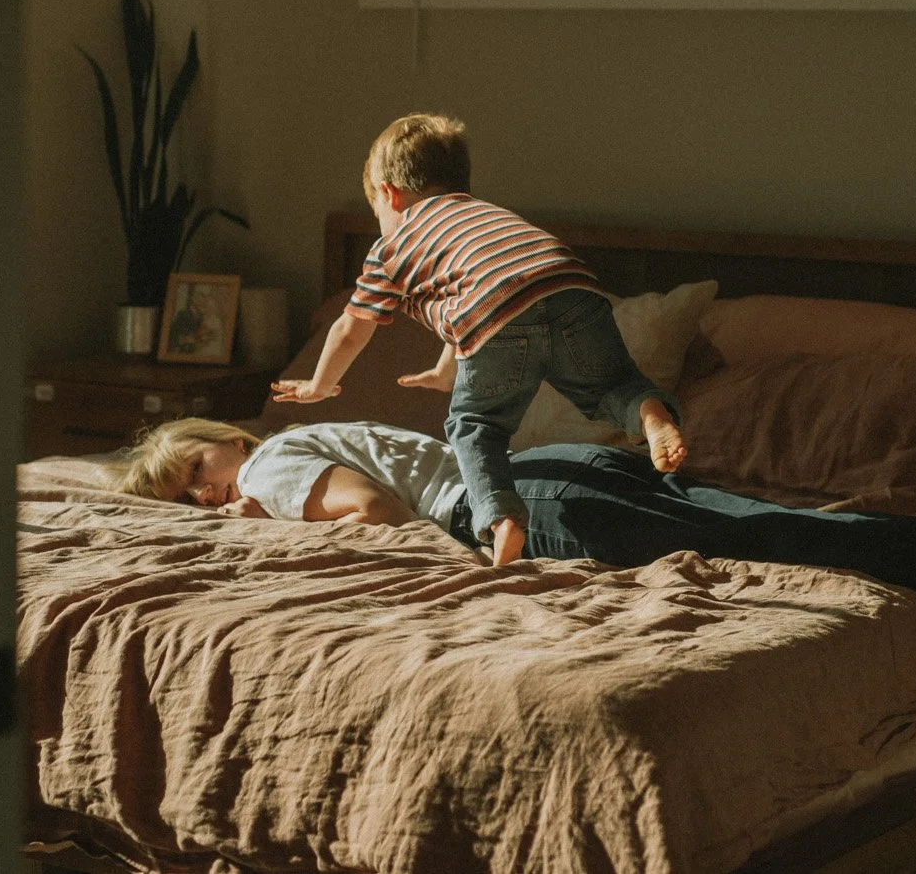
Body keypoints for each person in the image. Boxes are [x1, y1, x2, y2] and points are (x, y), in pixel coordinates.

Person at [117, 417, 916, 704]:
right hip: (551, 462)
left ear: (227, 437)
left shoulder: (280, 460)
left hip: (515, 504)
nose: (206, 498)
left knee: (776, 535)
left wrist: (272, 517)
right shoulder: (310, 433)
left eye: (197, 471)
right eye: (185, 498)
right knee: (774, 522)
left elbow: (371, 510)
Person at [268, 112, 687, 567]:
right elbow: (471, 301)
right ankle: (647, 411)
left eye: (377, 213)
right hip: (573, 289)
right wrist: (442, 371)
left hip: (495, 317)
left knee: (476, 427)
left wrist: (318, 385)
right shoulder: (487, 216)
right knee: (610, 384)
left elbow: (351, 329)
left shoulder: (391, 248)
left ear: (389, 193)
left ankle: (501, 519)